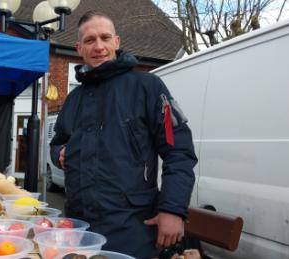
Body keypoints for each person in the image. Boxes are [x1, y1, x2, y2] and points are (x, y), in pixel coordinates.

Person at [50, 10, 197, 259]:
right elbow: (57, 144)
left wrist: (172, 210)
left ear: (116, 42)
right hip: (79, 227)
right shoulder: (73, 99)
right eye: (90, 40)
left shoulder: (148, 87)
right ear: (79, 48)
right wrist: (59, 154)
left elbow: (179, 152)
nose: (99, 46)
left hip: (132, 228)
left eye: (105, 38)